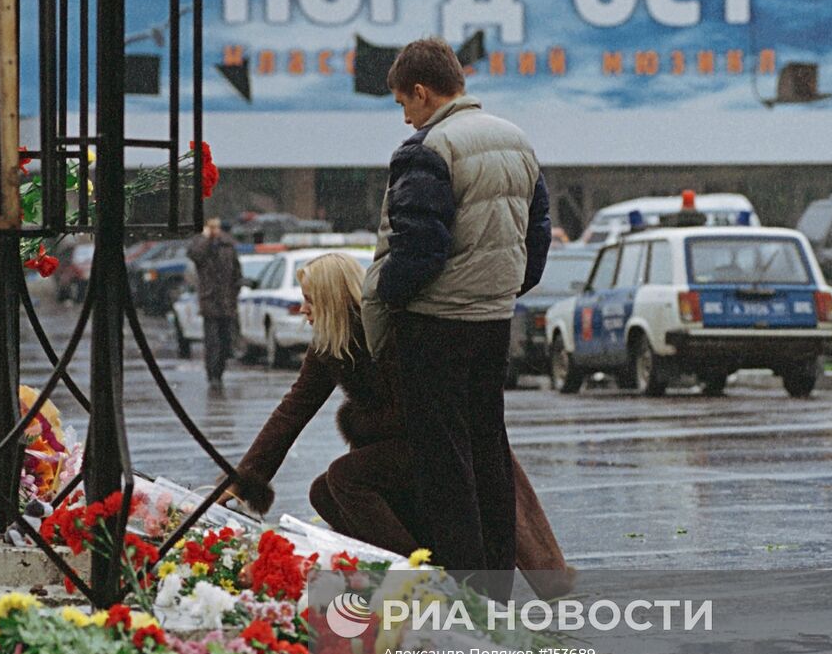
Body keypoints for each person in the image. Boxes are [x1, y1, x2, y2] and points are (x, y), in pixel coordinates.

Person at [219, 252, 570, 597]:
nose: (303, 309)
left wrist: (368, 427)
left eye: (309, 300)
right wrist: (243, 480)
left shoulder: (389, 328)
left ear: (331, 300)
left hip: (435, 440)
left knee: (346, 477)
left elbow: (427, 404)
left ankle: (420, 578)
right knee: (322, 492)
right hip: (401, 446)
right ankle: (402, 563)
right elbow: (293, 411)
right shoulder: (330, 343)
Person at [361, 37, 551, 590]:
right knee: (490, 450)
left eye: (403, 103)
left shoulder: (426, 149)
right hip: (493, 320)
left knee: (445, 465)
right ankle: (496, 586)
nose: (404, 116)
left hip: (436, 322)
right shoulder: (516, 140)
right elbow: (536, 233)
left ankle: (465, 592)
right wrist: (509, 288)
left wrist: (392, 299)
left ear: (422, 92)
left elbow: (417, 247)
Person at [186, 217, 241, 392]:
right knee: (212, 341)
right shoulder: (201, 245)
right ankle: (213, 375)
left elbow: (236, 273)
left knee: (225, 341)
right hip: (210, 301)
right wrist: (207, 238)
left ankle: (220, 371)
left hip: (227, 301)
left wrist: (234, 294)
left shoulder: (228, 246)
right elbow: (196, 255)